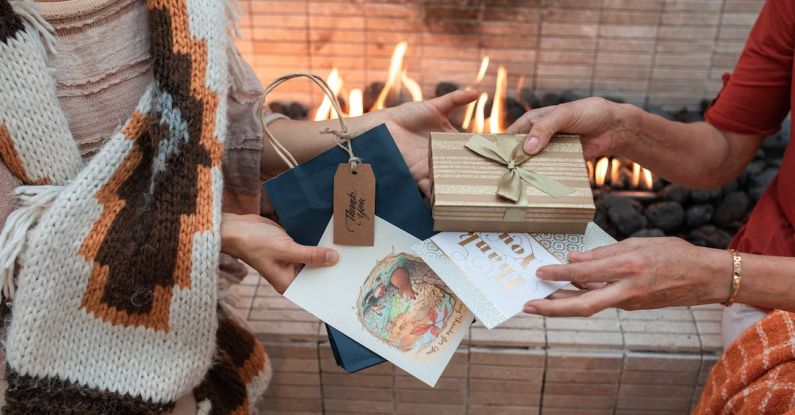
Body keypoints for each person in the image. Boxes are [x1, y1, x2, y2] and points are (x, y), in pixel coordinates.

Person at [0, 0, 476, 413]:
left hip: (178, 336)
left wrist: (371, 130)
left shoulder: (187, 9)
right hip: (24, 363)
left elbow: (232, 130)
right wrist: (219, 232)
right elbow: (12, 235)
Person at [506, 0, 795, 412]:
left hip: (762, 283)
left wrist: (718, 274)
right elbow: (723, 150)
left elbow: (721, 274)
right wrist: (623, 128)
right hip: (767, 283)